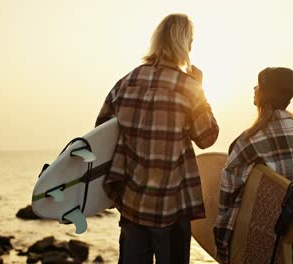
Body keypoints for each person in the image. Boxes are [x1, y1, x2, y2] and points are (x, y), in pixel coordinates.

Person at [95, 14, 219, 264]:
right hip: (172, 207)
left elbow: (101, 132)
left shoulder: (126, 82)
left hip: (131, 204)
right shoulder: (188, 87)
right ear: (185, 44)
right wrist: (200, 90)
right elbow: (207, 137)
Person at [214, 67, 293, 264]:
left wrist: (223, 248)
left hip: (273, 253)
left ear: (262, 94)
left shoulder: (248, 141)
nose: (254, 89)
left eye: (258, 85)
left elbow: (226, 200)